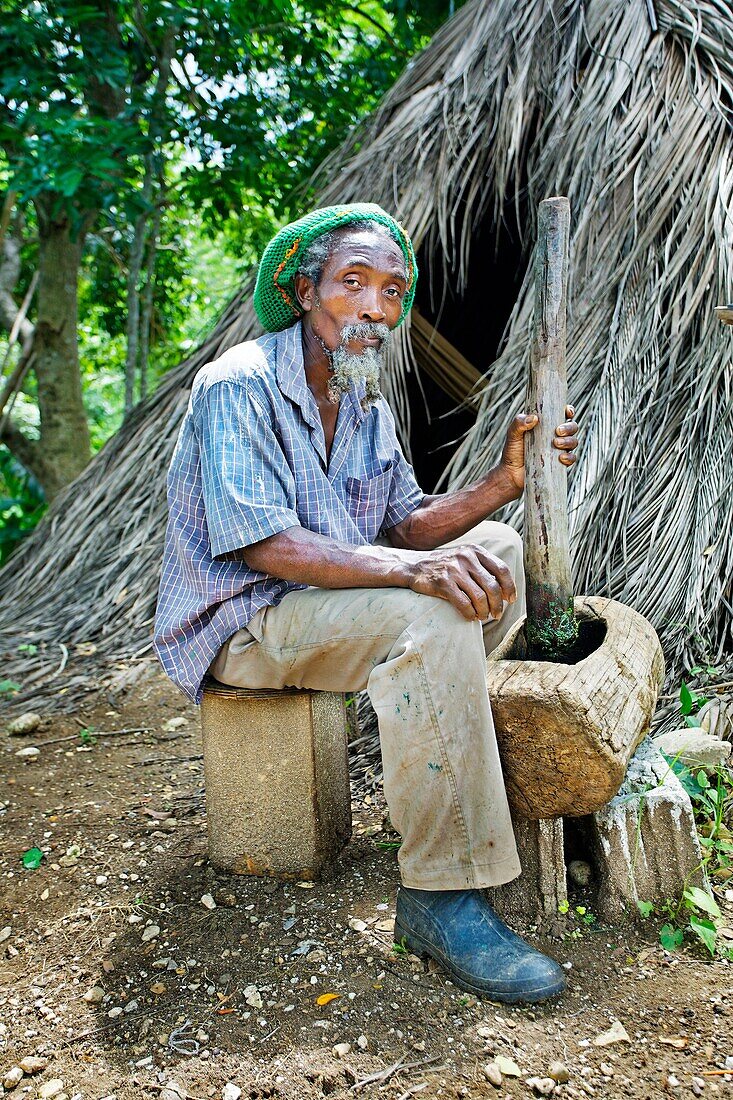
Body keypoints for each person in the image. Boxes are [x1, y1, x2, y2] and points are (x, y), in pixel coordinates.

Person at [154, 203, 579, 1003]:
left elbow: (406, 525)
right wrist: (408, 574)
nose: (377, 308)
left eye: (390, 291)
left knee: (499, 550)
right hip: (246, 621)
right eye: (354, 283)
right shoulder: (236, 384)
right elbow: (266, 546)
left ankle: (447, 749)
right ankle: (440, 895)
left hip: (323, 607)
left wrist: (502, 484)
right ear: (306, 290)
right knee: (426, 614)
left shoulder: (362, 404)